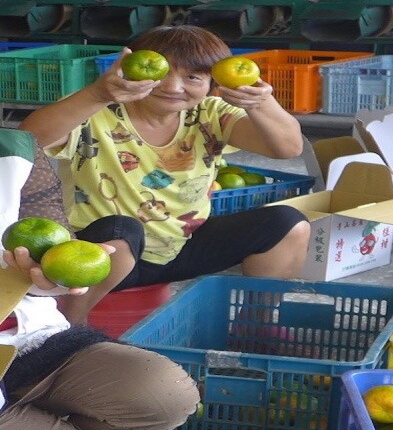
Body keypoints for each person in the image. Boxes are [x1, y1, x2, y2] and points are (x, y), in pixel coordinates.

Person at [19, 25, 310, 325]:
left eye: (192, 77)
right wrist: (97, 93)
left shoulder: (211, 113)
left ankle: (257, 326)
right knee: (121, 231)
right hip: (103, 255)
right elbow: (27, 140)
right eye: (162, 72)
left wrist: (261, 102)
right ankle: (68, 330)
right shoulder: (96, 110)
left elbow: (288, 148)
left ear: (214, 82)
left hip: (181, 245)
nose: (173, 87)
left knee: (287, 224)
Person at [0, 128, 200, 430]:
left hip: (26, 337)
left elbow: (47, 244)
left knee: (163, 393)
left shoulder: (14, 152)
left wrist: (51, 280)